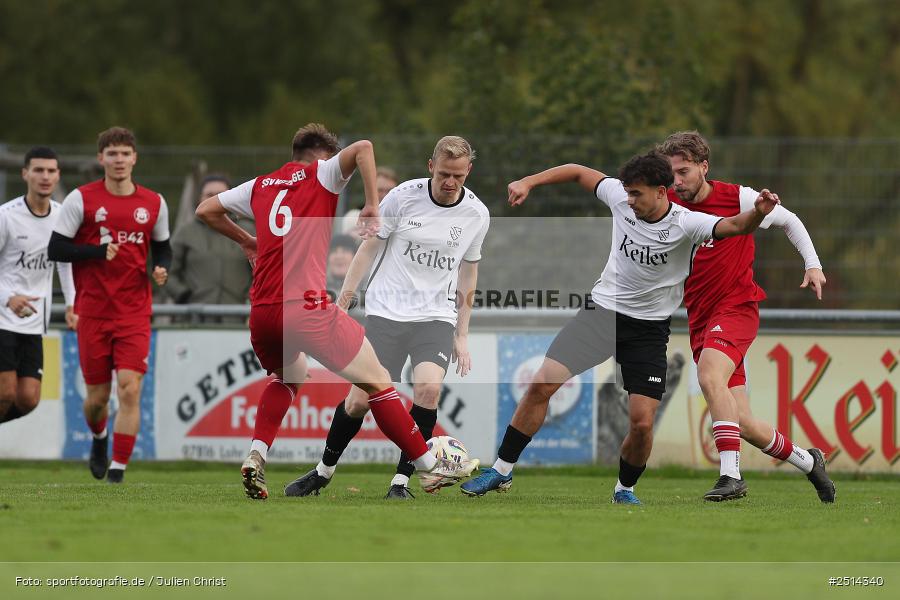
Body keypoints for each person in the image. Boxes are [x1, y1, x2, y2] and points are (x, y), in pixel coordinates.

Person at [460, 151, 779, 504]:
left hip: (648, 331)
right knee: (541, 384)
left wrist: (758, 212)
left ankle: (624, 490)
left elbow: (735, 226)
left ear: (661, 192)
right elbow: (577, 171)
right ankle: (501, 469)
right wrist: (528, 182)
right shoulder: (619, 197)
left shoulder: (687, 223)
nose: (629, 200)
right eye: (627, 192)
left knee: (641, 424)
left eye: (636, 194)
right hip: (601, 315)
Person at [194, 123, 475, 500]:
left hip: (263, 311)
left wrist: (247, 241)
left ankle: (257, 453)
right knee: (378, 383)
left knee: (289, 376)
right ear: (323, 156)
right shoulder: (322, 172)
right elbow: (363, 147)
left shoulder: (260, 185)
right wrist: (372, 204)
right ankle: (428, 467)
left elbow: (206, 210)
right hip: (307, 307)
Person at [284, 136, 490, 499]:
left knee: (428, 389)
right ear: (431, 166)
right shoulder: (402, 197)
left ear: (468, 171)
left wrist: (462, 334)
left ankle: (401, 482)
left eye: (458, 176)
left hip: (435, 317)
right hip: (386, 313)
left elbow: (469, 273)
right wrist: (343, 303)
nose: (450, 182)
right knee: (358, 402)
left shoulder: (477, 214)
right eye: (444, 174)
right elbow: (367, 249)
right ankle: (323, 471)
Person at [657, 131, 834, 502]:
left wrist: (813, 264)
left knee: (708, 375)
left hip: (736, 308)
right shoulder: (667, 205)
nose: (677, 180)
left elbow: (790, 220)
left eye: (684, 172)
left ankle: (730, 475)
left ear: (704, 167)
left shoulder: (737, 197)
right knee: (743, 422)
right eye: (672, 173)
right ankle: (809, 461)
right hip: (701, 318)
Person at [48, 127, 172, 484]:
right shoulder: (81, 199)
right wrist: (96, 252)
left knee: (130, 388)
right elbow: (56, 249)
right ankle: (99, 436)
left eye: (125, 153)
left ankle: (118, 471)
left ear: (135, 159)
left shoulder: (154, 202)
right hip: (93, 312)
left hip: (134, 311)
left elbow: (163, 247)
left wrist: (161, 267)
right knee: (97, 400)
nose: (119, 160)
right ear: (101, 158)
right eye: (112, 153)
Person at [0, 147, 76, 424]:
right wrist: (8, 297)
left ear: (58, 176)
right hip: (2, 317)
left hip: (33, 322)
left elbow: (65, 263)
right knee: (5, 392)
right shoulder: (6, 215)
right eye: (38, 170)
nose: (45, 176)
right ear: (25, 174)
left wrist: (72, 304)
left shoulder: (62, 216)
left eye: (50, 171)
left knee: (28, 398)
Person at [165, 174, 255, 320]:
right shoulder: (185, 232)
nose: (214, 199)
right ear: (199, 198)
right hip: (194, 319)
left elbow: (262, 270)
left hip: (238, 318)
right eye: (209, 195)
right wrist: (183, 295)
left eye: (220, 195)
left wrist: (251, 296)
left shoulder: (249, 231)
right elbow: (166, 270)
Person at [341, 166, 399, 240]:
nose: (385, 195)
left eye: (390, 191)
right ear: (370, 190)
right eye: (380, 190)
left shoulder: (404, 217)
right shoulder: (353, 217)